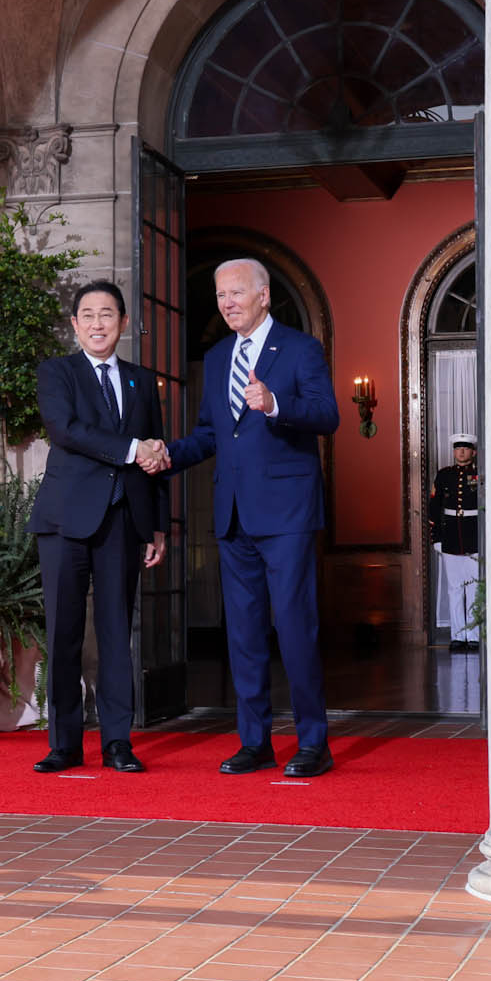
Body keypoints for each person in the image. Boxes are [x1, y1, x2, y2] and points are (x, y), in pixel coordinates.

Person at [136, 258, 340, 777]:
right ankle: (256, 742)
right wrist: (168, 454)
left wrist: (275, 404)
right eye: (220, 294)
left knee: (294, 628)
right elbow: (210, 433)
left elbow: (327, 415)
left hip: (288, 515)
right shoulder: (219, 354)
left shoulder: (299, 349)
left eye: (236, 293)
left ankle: (313, 743)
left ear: (263, 296)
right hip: (232, 516)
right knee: (244, 635)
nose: (226, 303)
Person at [29, 279, 168, 773]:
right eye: (87, 315)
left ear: (123, 323)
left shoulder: (141, 380)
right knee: (64, 630)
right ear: (74, 325)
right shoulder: (57, 373)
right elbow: (66, 430)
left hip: (122, 521)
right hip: (65, 520)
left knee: (115, 633)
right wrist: (132, 449)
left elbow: (159, 456)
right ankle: (64, 744)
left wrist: (156, 527)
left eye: (107, 314)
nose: (97, 324)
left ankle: (117, 743)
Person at [427, 433, 481, 649]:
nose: (461, 452)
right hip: (450, 538)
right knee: (454, 588)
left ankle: (474, 636)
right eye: (457, 448)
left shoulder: (479, 475)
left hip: (474, 536)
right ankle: (458, 636)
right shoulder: (444, 475)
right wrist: (436, 538)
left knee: (474, 589)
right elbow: (434, 507)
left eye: (465, 448)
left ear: (473, 452)